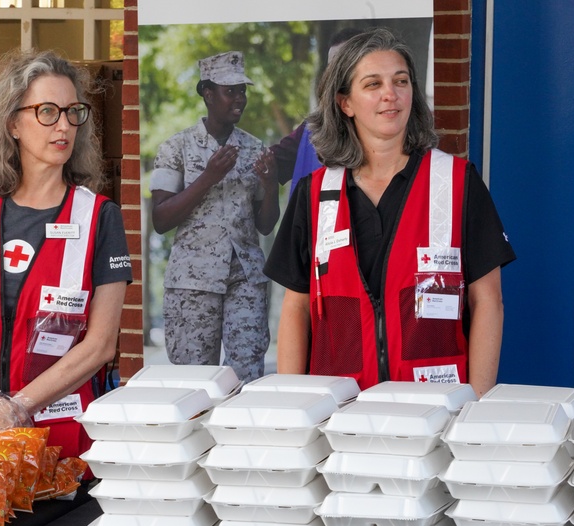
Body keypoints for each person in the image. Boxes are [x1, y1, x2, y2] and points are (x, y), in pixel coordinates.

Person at [264, 29, 515, 397]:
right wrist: (294, 403)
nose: (390, 94)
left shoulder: (458, 183)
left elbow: (488, 302)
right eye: (373, 84)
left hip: (436, 407)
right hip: (338, 408)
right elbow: (296, 310)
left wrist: (476, 402)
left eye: (401, 81)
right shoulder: (315, 194)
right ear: (345, 103)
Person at [0, 49, 132, 459]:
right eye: (47, 111)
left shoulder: (99, 218)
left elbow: (102, 345)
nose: (64, 125)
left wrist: (18, 408)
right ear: (13, 122)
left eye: (74, 112)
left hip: (53, 438)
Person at [150, 51, 280, 383]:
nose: (239, 99)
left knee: (247, 376)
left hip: (245, 280)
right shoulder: (175, 148)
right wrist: (208, 176)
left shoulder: (254, 148)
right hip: (193, 283)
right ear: (208, 94)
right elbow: (161, 219)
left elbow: (266, 224)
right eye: (230, 90)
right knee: (195, 381)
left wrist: (269, 184)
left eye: (242, 91)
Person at [271, 27, 365, 193]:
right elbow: (272, 161)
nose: (334, 74)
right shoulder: (312, 129)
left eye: (342, 65)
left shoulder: (388, 128)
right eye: (331, 67)